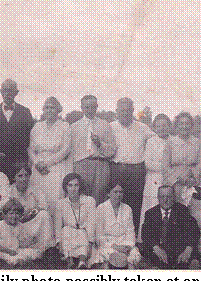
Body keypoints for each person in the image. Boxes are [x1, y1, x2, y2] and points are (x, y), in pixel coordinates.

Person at [164, 111, 201, 252]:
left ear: (191, 125)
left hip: (193, 183)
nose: (184, 126)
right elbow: (165, 165)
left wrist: (193, 178)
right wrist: (177, 179)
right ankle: (177, 248)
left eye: (187, 123)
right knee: (177, 216)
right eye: (181, 123)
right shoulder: (170, 142)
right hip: (176, 184)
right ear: (177, 125)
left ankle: (200, 250)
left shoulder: (198, 142)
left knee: (197, 216)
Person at [110, 97, 155, 234]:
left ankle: (133, 237)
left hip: (136, 172)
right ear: (117, 111)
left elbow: (157, 140)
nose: (125, 113)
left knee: (135, 204)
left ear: (133, 111)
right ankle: (116, 235)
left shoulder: (142, 128)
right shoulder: (110, 127)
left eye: (128, 110)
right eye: (122, 110)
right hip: (117, 170)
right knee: (116, 204)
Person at [28, 96, 72, 220]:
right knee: (38, 198)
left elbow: (65, 149)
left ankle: (54, 233)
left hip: (55, 167)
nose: (49, 110)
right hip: (38, 168)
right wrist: (37, 163)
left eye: (52, 107)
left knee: (54, 199)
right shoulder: (37, 127)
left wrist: (47, 163)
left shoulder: (64, 126)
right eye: (46, 107)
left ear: (58, 110)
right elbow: (30, 149)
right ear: (43, 110)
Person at [0, 79, 35, 176]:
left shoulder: (25, 112)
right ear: (1, 92)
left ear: (16, 93)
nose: (7, 94)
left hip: (18, 162)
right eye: (4, 91)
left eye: (11, 91)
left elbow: (31, 138)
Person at [71, 95, 117, 205]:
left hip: (100, 165)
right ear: (81, 108)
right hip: (82, 165)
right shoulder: (74, 127)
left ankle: (98, 222)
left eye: (93, 107)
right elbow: (71, 151)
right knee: (82, 198)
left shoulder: (105, 125)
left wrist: (100, 143)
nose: (90, 110)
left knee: (99, 199)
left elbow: (112, 150)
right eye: (87, 107)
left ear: (97, 107)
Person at [141, 184, 200, 269]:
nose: (165, 200)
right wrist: (156, 247)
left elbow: (194, 231)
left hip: (178, 253)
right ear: (158, 198)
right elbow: (145, 234)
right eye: (162, 197)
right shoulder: (150, 213)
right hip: (158, 252)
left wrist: (188, 249)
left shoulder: (182, 210)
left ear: (174, 197)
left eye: (169, 196)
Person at [7, 162, 53, 254]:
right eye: (20, 176)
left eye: (26, 175)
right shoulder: (9, 191)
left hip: (33, 223)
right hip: (17, 223)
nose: (24, 179)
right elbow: (6, 211)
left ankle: (46, 246)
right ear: (14, 177)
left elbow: (43, 206)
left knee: (44, 215)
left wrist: (31, 211)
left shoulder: (35, 189)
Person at [138, 114, 171, 241]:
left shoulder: (173, 140)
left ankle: (166, 240)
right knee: (152, 209)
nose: (161, 128)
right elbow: (148, 163)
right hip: (153, 180)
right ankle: (147, 241)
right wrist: (167, 166)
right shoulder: (151, 142)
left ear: (169, 126)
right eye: (158, 126)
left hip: (169, 180)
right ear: (154, 128)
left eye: (164, 125)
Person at [95, 183, 141, 269]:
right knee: (109, 257)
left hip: (125, 244)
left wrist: (127, 247)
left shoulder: (127, 209)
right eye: (115, 192)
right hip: (108, 245)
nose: (118, 195)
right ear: (109, 193)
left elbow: (131, 232)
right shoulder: (101, 208)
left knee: (135, 256)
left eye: (121, 192)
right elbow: (99, 236)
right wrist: (116, 247)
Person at [55, 173, 96, 269]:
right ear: (65, 187)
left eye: (76, 185)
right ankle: (70, 261)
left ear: (80, 186)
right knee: (66, 230)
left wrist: (90, 243)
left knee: (82, 232)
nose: (73, 189)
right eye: (70, 185)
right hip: (68, 235)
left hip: (84, 234)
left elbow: (91, 224)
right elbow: (58, 226)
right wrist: (59, 243)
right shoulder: (60, 203)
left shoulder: (89, 201)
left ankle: (82, 262)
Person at [0, 198, 44, 265]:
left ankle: (25, 259)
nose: (14, 216)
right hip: (4, 251)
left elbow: (20, 243)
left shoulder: (20, 225)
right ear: (5, 214)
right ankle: (18, 261)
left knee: (32, 252)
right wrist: (8, 251)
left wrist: (30, 242)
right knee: (14, 258)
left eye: (17, 213)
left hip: (17, 249)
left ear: (20, 215)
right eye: (11, 213)